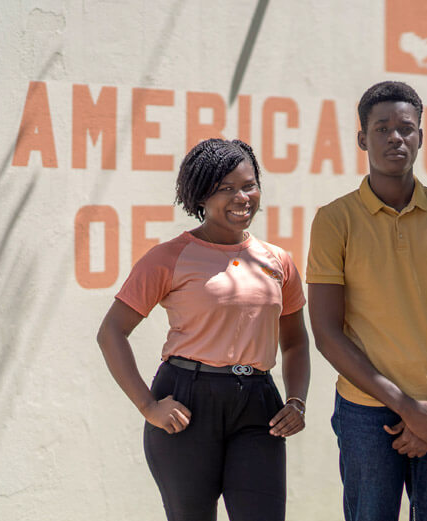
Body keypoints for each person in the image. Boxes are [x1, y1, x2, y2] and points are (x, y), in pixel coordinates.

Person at [96, 139, 310, 521]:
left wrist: (296, 401)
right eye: (225, 189)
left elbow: (294, 342)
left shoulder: (279, 261)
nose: (241, 197)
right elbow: (111, 332)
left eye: (248, 185)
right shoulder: (168, 257)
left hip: (259, 404)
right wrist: (148, 407)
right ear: (200, 195)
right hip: (186, 402)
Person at [306, 80, 427, 521]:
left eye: (406, 128)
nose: (395, 137)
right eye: (382, 128)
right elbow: (326, 333)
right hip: (366, 412)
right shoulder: (334, 219)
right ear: (363, 138)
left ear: (421, 136)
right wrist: (407, 409)